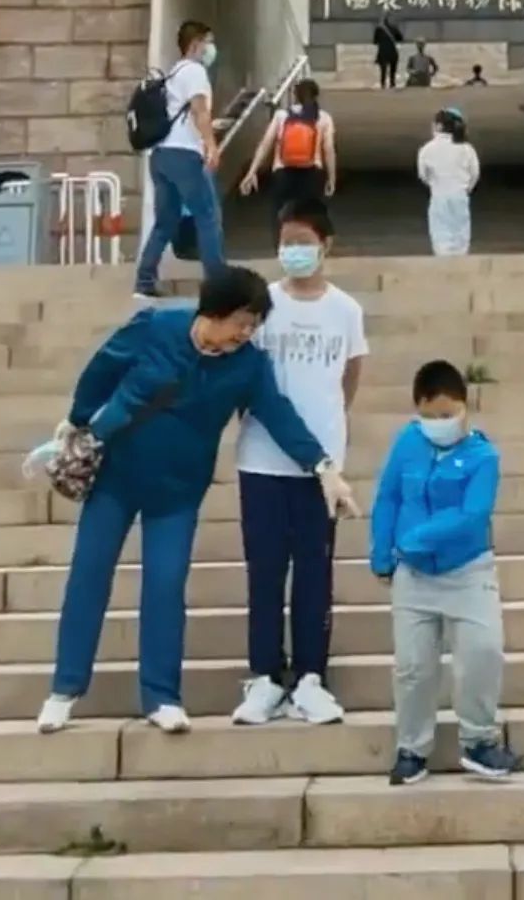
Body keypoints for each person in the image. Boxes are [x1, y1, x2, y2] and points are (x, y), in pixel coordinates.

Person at [38, 264, 360, 734]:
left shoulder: (248, 363)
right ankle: (64, 691)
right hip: (117, 476)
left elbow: (278, 413)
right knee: (89, 573)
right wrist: (77, 420)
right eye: (242, 322)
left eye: (254, 325)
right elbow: (102, 368)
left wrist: (322, 467)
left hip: (179, 491)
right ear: (215, 311)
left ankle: (161, 696)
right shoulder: (155, 327)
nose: (246, 333)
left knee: (166, 585)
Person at [231, 200, 371, 726]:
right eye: (286, 240)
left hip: (323, 470)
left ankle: (311, 676)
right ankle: (266, 677)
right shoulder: (262, 304)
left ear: (325, 245)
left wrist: (328, 436)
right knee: (264, 573)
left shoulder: (346, 310)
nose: (294, 250)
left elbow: (351, 375)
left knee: (315, 572)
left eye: (304, 241)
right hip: (261, 462)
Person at [371, 359, 519, 784]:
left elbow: (472, 515)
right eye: (430, 415)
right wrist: (382, 554)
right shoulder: (407, 442)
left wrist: (412, 540)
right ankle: (411, 749)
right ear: (417, 410)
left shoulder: (482, 455)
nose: (440, 422)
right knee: (413, 667)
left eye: (448, 413)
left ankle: (480, 742)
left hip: (468, 572)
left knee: (482, 652)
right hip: (412, 577)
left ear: (465, 407)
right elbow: (388, 497)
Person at [133, 19, 224, 301]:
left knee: (165, 221)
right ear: (196, 44)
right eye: (208, 43)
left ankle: (144, 281)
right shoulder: (195, 71)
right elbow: (199, 111)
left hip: (160, 155)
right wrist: (211, 145)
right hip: (184, 155)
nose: (211, 49)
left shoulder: (173, 73)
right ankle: (218, 285)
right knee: (207, 218)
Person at [240, 78, 336, 217]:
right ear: (316, 96)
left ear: (295, 96)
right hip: (311, 174)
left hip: (283, 173)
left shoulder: (281, 116)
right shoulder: (324, 118)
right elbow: (329, 150)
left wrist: (252, 172)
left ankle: (282, 238)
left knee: (281, 218)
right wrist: (331, 178)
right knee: (310, 220)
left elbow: (265, 144)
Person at [417, 109, 481, 257]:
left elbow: (423, 174)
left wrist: (434, 184)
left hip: (439, 194)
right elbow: (474, 174)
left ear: (439, 126)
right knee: (461, 233)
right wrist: (465, 188)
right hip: (460, 195)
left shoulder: (427, 149)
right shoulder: (467, 149)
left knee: (440, 232)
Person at [372, 15, 403, 90]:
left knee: (383, 70)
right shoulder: (394, 28)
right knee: (393, 69)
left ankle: (383, 84)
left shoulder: (378, 29)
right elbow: (400, 38)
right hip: (392, 51)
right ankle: (392, 83)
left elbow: (375, 42)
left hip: (382, 52)